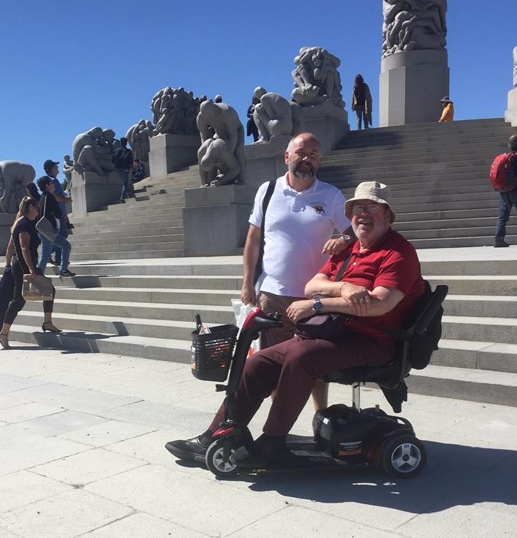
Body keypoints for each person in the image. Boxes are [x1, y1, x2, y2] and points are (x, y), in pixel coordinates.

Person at [166, 181, 424, 467]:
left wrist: (317, 304)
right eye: (357, 208)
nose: (363, 214)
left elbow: (379, 304)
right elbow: (313, 282)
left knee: (301, 358)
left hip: (374, 340)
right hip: (334, 333)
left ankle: (273, 441)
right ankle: (217, 433)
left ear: (387, 216)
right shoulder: (348, 250)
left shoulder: (398, 253)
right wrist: (346, 287)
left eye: (372, 208)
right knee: (259, 363)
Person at [241, 132, 354, 410]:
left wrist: (343, 239)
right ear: (287, 156)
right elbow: (253, 239)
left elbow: (355, 234)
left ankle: (321, 416)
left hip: (315, 301)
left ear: (319, 160)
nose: (307, 159)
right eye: (301, 152)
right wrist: (246, 283)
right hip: (273, 295)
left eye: (313, 154)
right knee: (274, 366)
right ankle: (278, 430)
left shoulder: (331, 195)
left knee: (314, 363)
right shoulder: (267, 191)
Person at [0, 196, 61, 349]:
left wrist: (7, 264)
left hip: (24, 263)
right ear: (30, 207)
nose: (38, 208)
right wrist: (31, 269)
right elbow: (23, 247)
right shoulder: (24, 224)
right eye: (36, 206)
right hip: (24, 265)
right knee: (18, 299)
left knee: (49, 290)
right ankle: (3, 333)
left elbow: (10, 247)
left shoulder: (26, 223)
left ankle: (47, 322)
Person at [35, 176, 74, 277]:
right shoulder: (50, 197)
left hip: (43, 230)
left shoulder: (43, 197)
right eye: (51, 183)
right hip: (49, 231)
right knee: (66, 246)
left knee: (45, 254)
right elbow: (57, 213)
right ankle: (63, 270)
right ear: (47, 185)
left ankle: (39, 275)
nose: (53, 184)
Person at [43, 159, 72, 265]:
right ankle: (49, 254)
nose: (57, 168)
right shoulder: (53, 181)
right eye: (55, 166)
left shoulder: (52, 180)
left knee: (62, 235)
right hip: (57, 213)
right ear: (51, 169)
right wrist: (66, 200)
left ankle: (56, 258)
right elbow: (55, 196)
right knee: (62, 236)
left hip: (59, 213)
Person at [493, 132, 517, 248]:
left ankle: (499, 239)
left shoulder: (507, 158)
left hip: (504, 191)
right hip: (516, 189)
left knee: (502, 216)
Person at [112, 137, 134, 202]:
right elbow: (130, 161)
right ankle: (122, 197)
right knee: (125, 183)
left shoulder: (116, 150)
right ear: (126, 143)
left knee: (124, 182)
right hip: (125, 169)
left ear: (120, 143)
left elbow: (112, 160)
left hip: (117, 169)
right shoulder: (128, 151)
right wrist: (130, 167)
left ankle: (128, 192)